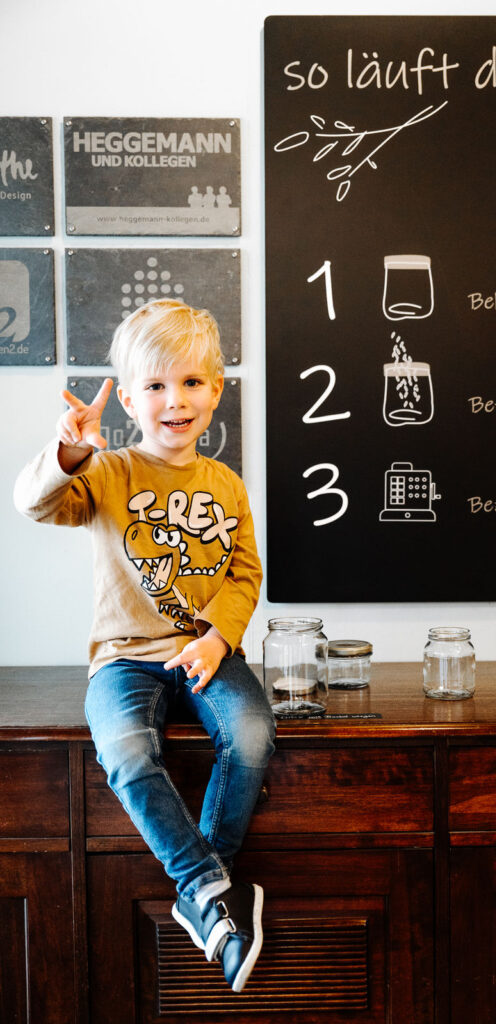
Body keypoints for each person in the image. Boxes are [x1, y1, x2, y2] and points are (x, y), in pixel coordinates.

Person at [13, 299, 276, 994]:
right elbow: (34, 503)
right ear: (128, 398)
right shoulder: (106, 472)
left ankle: (203, 895)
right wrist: (70, 451)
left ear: (216, 392)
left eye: (191, 382)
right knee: (127, 751)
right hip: (124, 657)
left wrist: (220, 639)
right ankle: (208, 884)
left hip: (206, 651)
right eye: (155, 386)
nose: (175, 400)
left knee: (251, 733)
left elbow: (246, 573)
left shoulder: (225, 485)